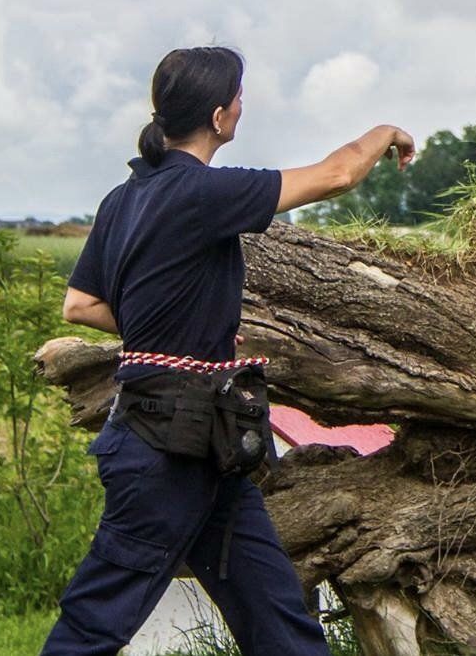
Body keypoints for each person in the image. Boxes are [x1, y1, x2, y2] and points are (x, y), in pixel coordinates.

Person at [41, 45, 415, 656]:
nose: (244, 105)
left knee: (277, 616)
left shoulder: (123, 198)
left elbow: (81, 305)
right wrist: (386, 131)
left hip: (209, 439)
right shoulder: (202, 192)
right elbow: (337, 175)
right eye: (239, 95)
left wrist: (177, 329)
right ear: (219, 117)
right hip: (164, 450)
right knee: (96, 622)